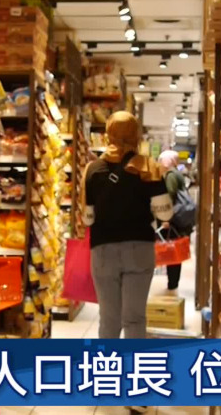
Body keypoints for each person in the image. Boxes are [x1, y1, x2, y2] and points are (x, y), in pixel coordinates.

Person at [83, 111, 173, 339]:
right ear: (136, 135)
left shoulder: (93, 169)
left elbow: (87, 218)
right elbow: (165, 213)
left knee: (109, 320)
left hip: (103, 250)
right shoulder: (149, 167)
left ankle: (107, 362)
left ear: (108, 134)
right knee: (134, 319)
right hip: (139, 249)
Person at [158, 149, 192, 291]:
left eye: (161, 161)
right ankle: (173, 281)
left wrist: (166, 217)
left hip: (174, 218)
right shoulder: (177, 173)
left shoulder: (171, 175)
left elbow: (170, 194)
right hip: (178, 217)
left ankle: (172, 283)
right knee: (174, 248)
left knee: (171, 248)